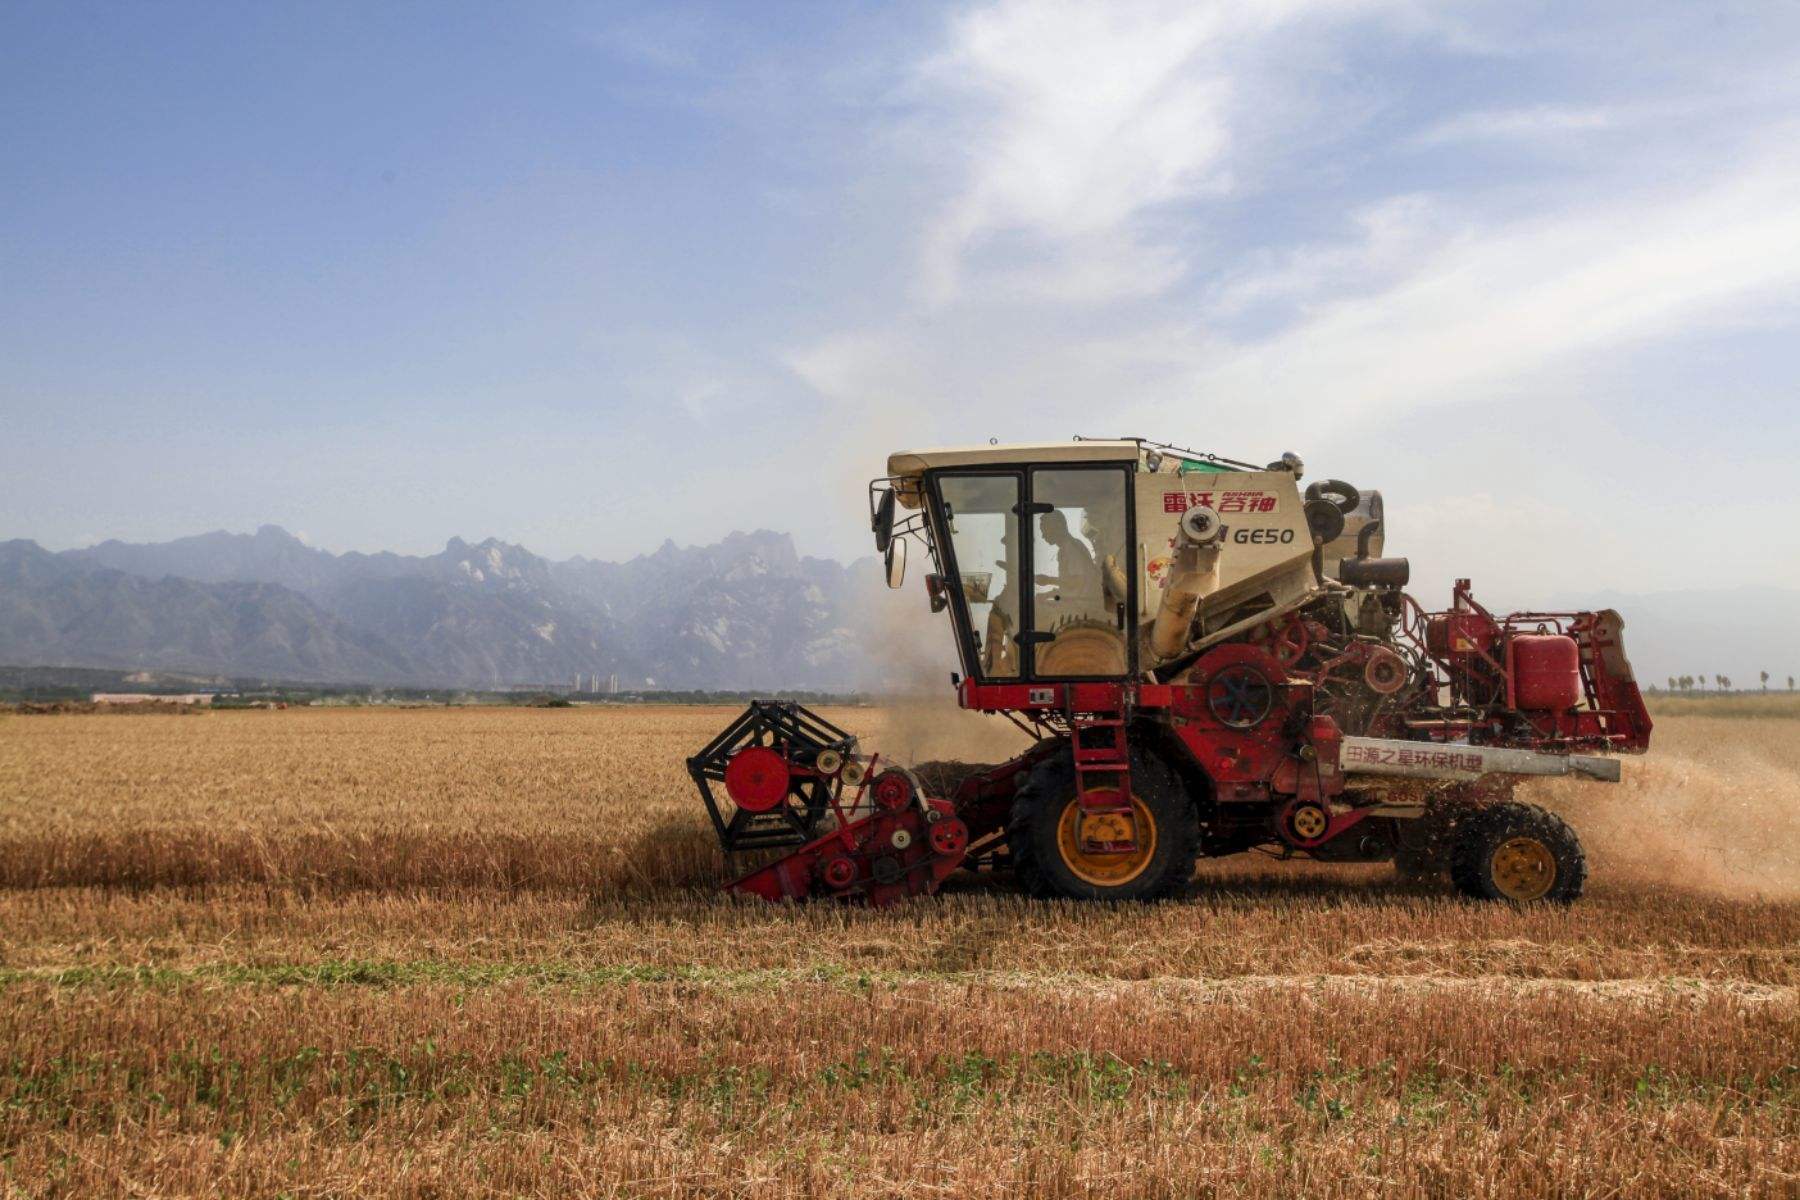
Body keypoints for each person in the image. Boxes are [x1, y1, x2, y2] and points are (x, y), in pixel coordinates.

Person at [1034, 510, 1102, 620]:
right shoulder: (1067, 548)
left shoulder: (1071, 548)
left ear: (1057, 527)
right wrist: (1048, 594)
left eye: (1045, 530)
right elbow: (1069, 588)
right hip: (1075, 604)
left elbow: (1076, 582)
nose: (1043, 536)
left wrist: (1048, 580)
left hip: (1080, 609)